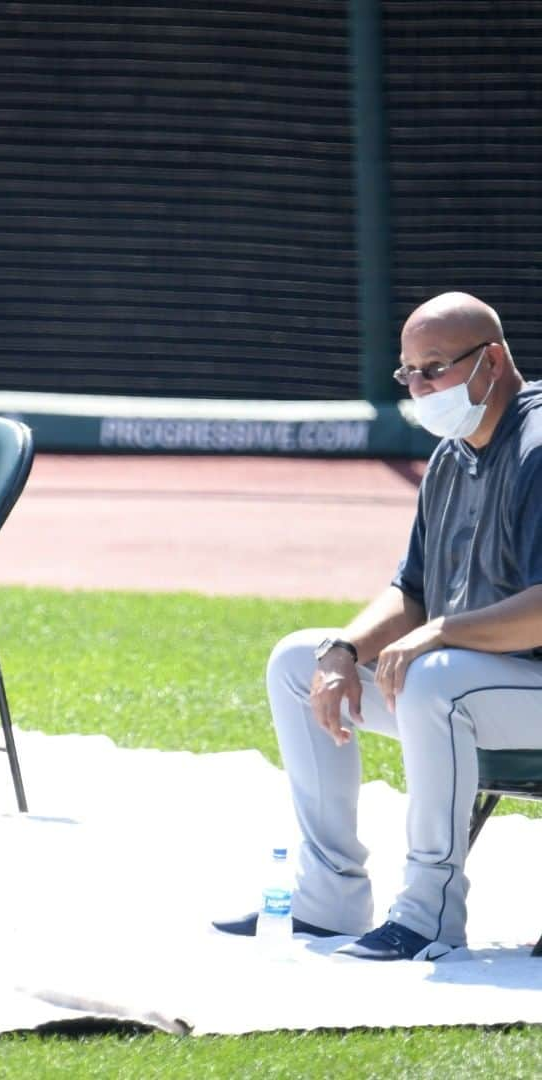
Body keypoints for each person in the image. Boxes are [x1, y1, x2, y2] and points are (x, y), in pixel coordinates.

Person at [214, 292, 542, 960]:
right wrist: (343, 649)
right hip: (487, 693)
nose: (421, 387)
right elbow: (412, 592)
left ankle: (427, 916)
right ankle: (328, 899)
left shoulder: (537, 446)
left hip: (517, 687)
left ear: (494, 361)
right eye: (410, 374)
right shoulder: (453, 454)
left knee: (434, 678)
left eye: (435, 368)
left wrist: (441, 633)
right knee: (298, 662)